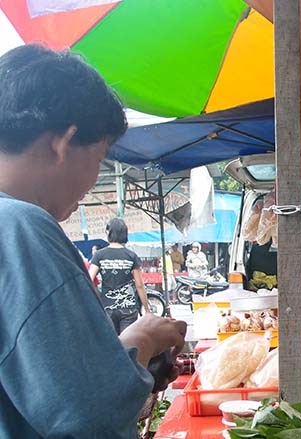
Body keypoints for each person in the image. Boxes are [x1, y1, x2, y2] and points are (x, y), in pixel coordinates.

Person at [0, 44, 186, 438]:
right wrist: (142, 341)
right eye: (100, 157)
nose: (93, 179)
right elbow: (89, 413)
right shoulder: (20, 228)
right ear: (64, 142)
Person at [89, 218, 151, 333]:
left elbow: (88, 279)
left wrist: (99, 295)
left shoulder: (99, 255)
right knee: (128, 342)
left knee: (113, 345)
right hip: (128, 308)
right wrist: (147, 310)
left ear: (109, 233)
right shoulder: (131, 256)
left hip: (107, 307)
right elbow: (139, 285)